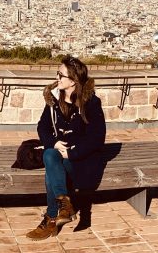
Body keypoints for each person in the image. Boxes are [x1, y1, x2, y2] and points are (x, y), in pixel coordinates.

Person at [26, 55, 106, 240]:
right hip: (58, 155)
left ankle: (51, 218)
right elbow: (42, 127)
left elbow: (97, 138)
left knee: (51, 168)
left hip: (82, 160)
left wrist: (71, 152)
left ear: (73, 81)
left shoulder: (91, 103)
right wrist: (53, 143)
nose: (57, 78)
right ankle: (64, 206)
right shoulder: (54, 100)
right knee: (50, 155)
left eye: (60, 75)